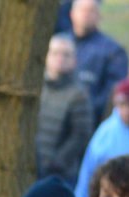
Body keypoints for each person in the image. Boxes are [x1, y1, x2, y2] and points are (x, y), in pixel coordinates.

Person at [36, 33, 93, 188]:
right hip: (32, 167)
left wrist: (57, 162)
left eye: (66, 54)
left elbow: (81, 135)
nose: (60, 58)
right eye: (55, 53)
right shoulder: (36, 88)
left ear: (74, 60)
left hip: (60, 174)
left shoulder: (79, 94)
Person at [68, 0, 128, 121]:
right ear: (72, 13)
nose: (86, 14)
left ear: (99, 16)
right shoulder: (59, 45)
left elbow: (112, 92)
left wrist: (85, 111)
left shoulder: (113, 51)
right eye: (82, 10)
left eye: (91, 11)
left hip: (92, 120)